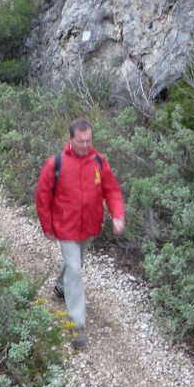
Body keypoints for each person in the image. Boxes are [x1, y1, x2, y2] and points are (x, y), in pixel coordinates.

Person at [35, 118, 125, 349]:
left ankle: (61, 286)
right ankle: (77, 323)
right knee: (75, 268)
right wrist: (47, 227)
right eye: (80, 141)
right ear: (71, 139)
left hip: (89, 227)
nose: (85, 145)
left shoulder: (98, 161)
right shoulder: (55, 163)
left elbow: (112, 189)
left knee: (75, 264)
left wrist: (117, 215)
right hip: (64, 227)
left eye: (88, 140)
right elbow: (42, 197)